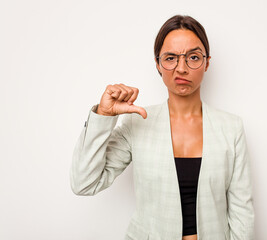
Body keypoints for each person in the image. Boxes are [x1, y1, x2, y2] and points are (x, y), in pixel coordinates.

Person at [70, 14, 255, 240]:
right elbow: (84, 183)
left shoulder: (231, 128)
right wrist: (103, 116)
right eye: (170, 58)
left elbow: (241, 212)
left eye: (193, 57)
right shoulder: (137, 123)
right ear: (158, 63)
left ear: (207, 62)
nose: (181, 68)